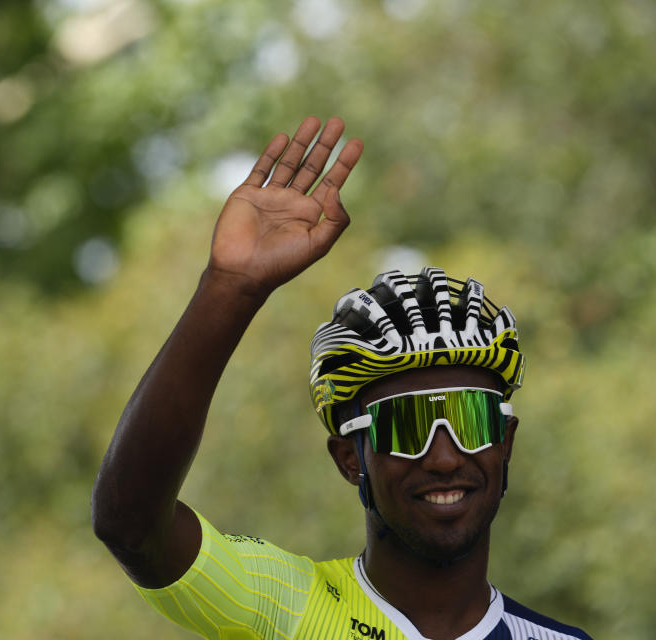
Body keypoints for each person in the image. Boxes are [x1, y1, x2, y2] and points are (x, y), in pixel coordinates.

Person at [92, 116, 592, 640]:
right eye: (406, 424)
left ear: (505, 441)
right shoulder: (289, 609)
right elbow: (130, 524)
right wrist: (229, 288)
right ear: (350, 457)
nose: (444, 457)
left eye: (470, 418)